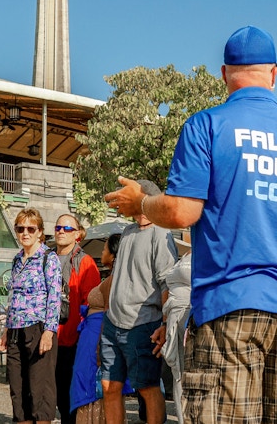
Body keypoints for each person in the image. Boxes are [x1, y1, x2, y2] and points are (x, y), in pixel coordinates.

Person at [105, 25, 277, 424]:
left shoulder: (207, 125)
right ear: (273, 74)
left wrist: (142, 201)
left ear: (223, 74)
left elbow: (183, 212)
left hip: (230, 305)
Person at [100, 180, 177, 424]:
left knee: (147, 387)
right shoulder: (127, 232)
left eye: (125, 196)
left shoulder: (162, 233)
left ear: (143, 197)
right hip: (113, 324)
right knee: (109, 386)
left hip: (143, 325)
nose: (120, 201)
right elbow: (118, 276)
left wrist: (165, 323)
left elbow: (167, 283)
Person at [0, 208, 62, 424]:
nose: (25, 233)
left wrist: (49, 332)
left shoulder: (48, 258)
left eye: (30, 228)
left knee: (39, 388)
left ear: (39, 231)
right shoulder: (17, 259)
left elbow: (54, 296)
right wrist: (6, 330)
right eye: (20, 228)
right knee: (18, 387)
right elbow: (12, 297)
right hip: (15, 329)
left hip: (38, 327)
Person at [70, 233, 133, 424]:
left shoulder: (116, 280)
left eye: (105, 249)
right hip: (92, 335)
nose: (102, 252)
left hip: (98, 337)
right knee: (90, 384)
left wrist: (102, 347)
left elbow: (110, 313)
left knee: (94, 386)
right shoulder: (113, 278)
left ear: (113, 255)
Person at [54, 214, 101, 424]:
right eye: (58, 227)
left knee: (68, 396)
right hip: (46, 336)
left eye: (67, 228)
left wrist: (87, 341)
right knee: (50, 393)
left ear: (78, 234)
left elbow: (91, 304)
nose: (61, 231)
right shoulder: (46, 258)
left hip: (71, 339)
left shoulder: (85, 262)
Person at [160, 252, 191, 424]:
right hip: (173, 317)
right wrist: (164, 324)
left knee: (192, 375)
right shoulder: (185, 254)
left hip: (191, 315)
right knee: (177, 374)